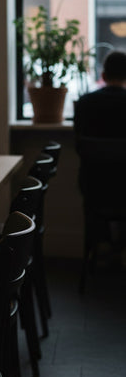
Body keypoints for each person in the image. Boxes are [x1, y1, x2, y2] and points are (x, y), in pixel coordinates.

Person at [74, 50, 126, 266]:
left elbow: (79, 147)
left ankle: (103, 243)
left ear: (103, 76)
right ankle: (118, 247)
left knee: (97, 185)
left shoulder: (85, 103)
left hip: (93, 188)